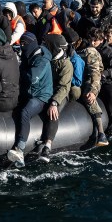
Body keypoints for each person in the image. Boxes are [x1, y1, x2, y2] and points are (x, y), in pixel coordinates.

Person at [6, 32, 53, 167]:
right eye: (21, 44)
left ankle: (20, 148)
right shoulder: (30, 56)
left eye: (24, 44)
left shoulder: (42, 60)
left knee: (25, 112)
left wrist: (19, 70)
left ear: (32, 44)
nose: (22, 47)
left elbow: (33, 78)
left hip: (41, 96)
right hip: (29, 92)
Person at [37, 33, 74, 162]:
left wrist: (54, 102)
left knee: (53, 113)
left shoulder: (66, 64)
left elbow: (64, 87)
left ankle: (48, 145)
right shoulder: (47, 59)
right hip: (47, 91)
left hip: (60, 94)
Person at [74, 35, 109, 147]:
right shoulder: (75, 51)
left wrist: (93, 91)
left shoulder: (89, 52)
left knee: (88, 97)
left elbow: (95, 74)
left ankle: (101, 132)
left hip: (91, 79)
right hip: (79, 78)